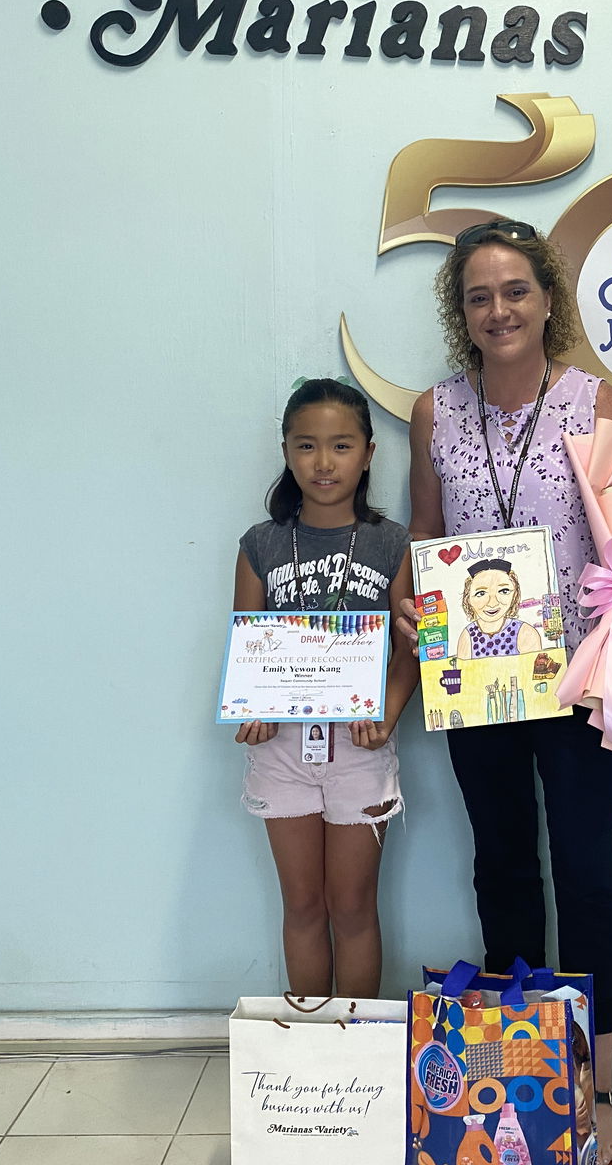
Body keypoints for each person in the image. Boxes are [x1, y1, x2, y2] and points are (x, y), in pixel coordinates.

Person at [404, 220, 612, 1165]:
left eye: (515, 290)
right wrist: (416, 614)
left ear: (548, 299)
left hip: (576, 674)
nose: (499, 310)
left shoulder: (594, 399)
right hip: (477, 676)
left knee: (591, 869)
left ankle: (593, 1077)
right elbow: (424, 537)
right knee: (504, 866)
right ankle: (525, 1073)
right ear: (461, 312)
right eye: (478, 296)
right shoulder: (434, 410)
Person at [234, 378, 418, 998]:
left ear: (368, 453)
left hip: (361, 749)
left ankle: (356, 1053)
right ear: (286, 450)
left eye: (341, 446)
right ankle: (309, 1057)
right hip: (281, 752)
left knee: (353, 908)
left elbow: (412, 647)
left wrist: (387, 715)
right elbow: (248, 642)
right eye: (306, 445)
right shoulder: (260, 544)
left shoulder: (391, 545)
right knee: (304, 905)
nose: (323, 461)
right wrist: (254, 708)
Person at [456, 557, 541, 658]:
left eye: (504, 591)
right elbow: (464, 672)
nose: (492, 603)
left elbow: (535, 671)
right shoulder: (467, 636)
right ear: (468, 599)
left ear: (515, 595)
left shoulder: (526, 633)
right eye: (481, 593)